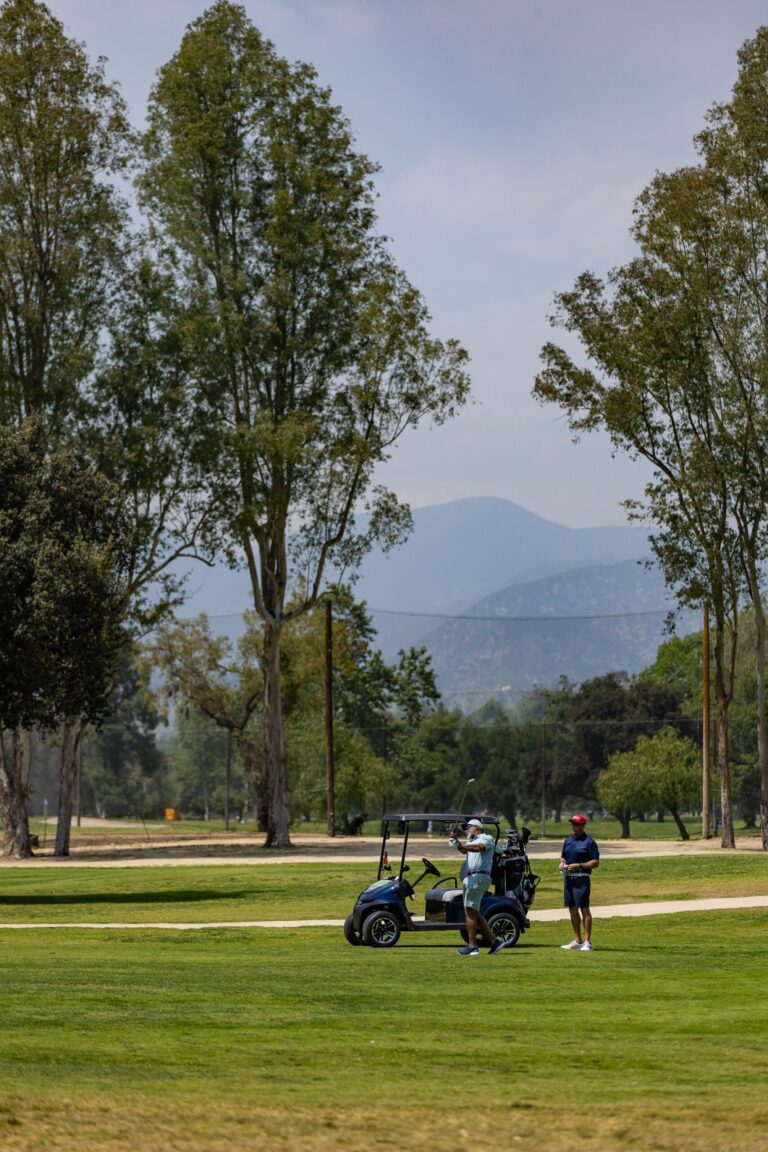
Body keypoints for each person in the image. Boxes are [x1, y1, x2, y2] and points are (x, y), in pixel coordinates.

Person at [449, 818, 508, 956]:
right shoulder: (471, 841)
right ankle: (495, 942)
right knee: (473, 911)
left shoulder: (487, 838)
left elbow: (478, 848)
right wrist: (456, 843)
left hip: (478, 877)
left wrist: (462, 845)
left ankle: (472, 946)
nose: (466, 829)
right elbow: (465, 850)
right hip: (471, 878)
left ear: (477, 827)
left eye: (468, 827)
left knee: (470, 911)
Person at [559, 813, 599, 952]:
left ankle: (588, 942)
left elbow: (595, 862)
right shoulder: (568, 840)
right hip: (569, 878)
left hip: (582, 878)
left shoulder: (589, 842)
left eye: (576, 824)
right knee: (572, 908)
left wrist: (579, 865)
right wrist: (562, 863)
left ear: (582, 826)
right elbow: (563, 857)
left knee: (584, 908)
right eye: (573, 824)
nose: (574, 826)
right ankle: (577, 940)